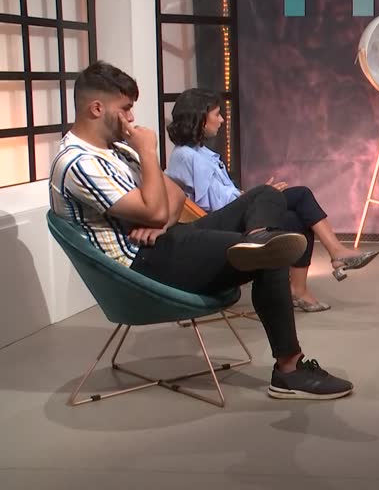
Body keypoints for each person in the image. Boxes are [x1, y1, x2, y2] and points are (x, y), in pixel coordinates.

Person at [49, 61, 353, 400]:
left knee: (266, 196)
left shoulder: (117, 151)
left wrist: (160, 221)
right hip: (141, 265)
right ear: (96, 108)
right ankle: (289, 370)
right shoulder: (78, 162)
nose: (131, 118)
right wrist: (147, 154)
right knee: (271, 255)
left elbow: (174, 196)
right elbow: (156, 207)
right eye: (125, 109)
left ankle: (258, 238)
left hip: (164, 239)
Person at [164, 88, 377, 313]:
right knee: (300, 195)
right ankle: (335, 253)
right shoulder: (185, 156)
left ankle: (300, 288)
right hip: (216, 226)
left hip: (230, 213)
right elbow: (216, 204)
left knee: (298, 218)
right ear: (199, 117)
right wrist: (259, 196)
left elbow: (224, 194)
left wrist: (255, 195)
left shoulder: (199, 152)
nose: (222, 120)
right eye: (217, 114)